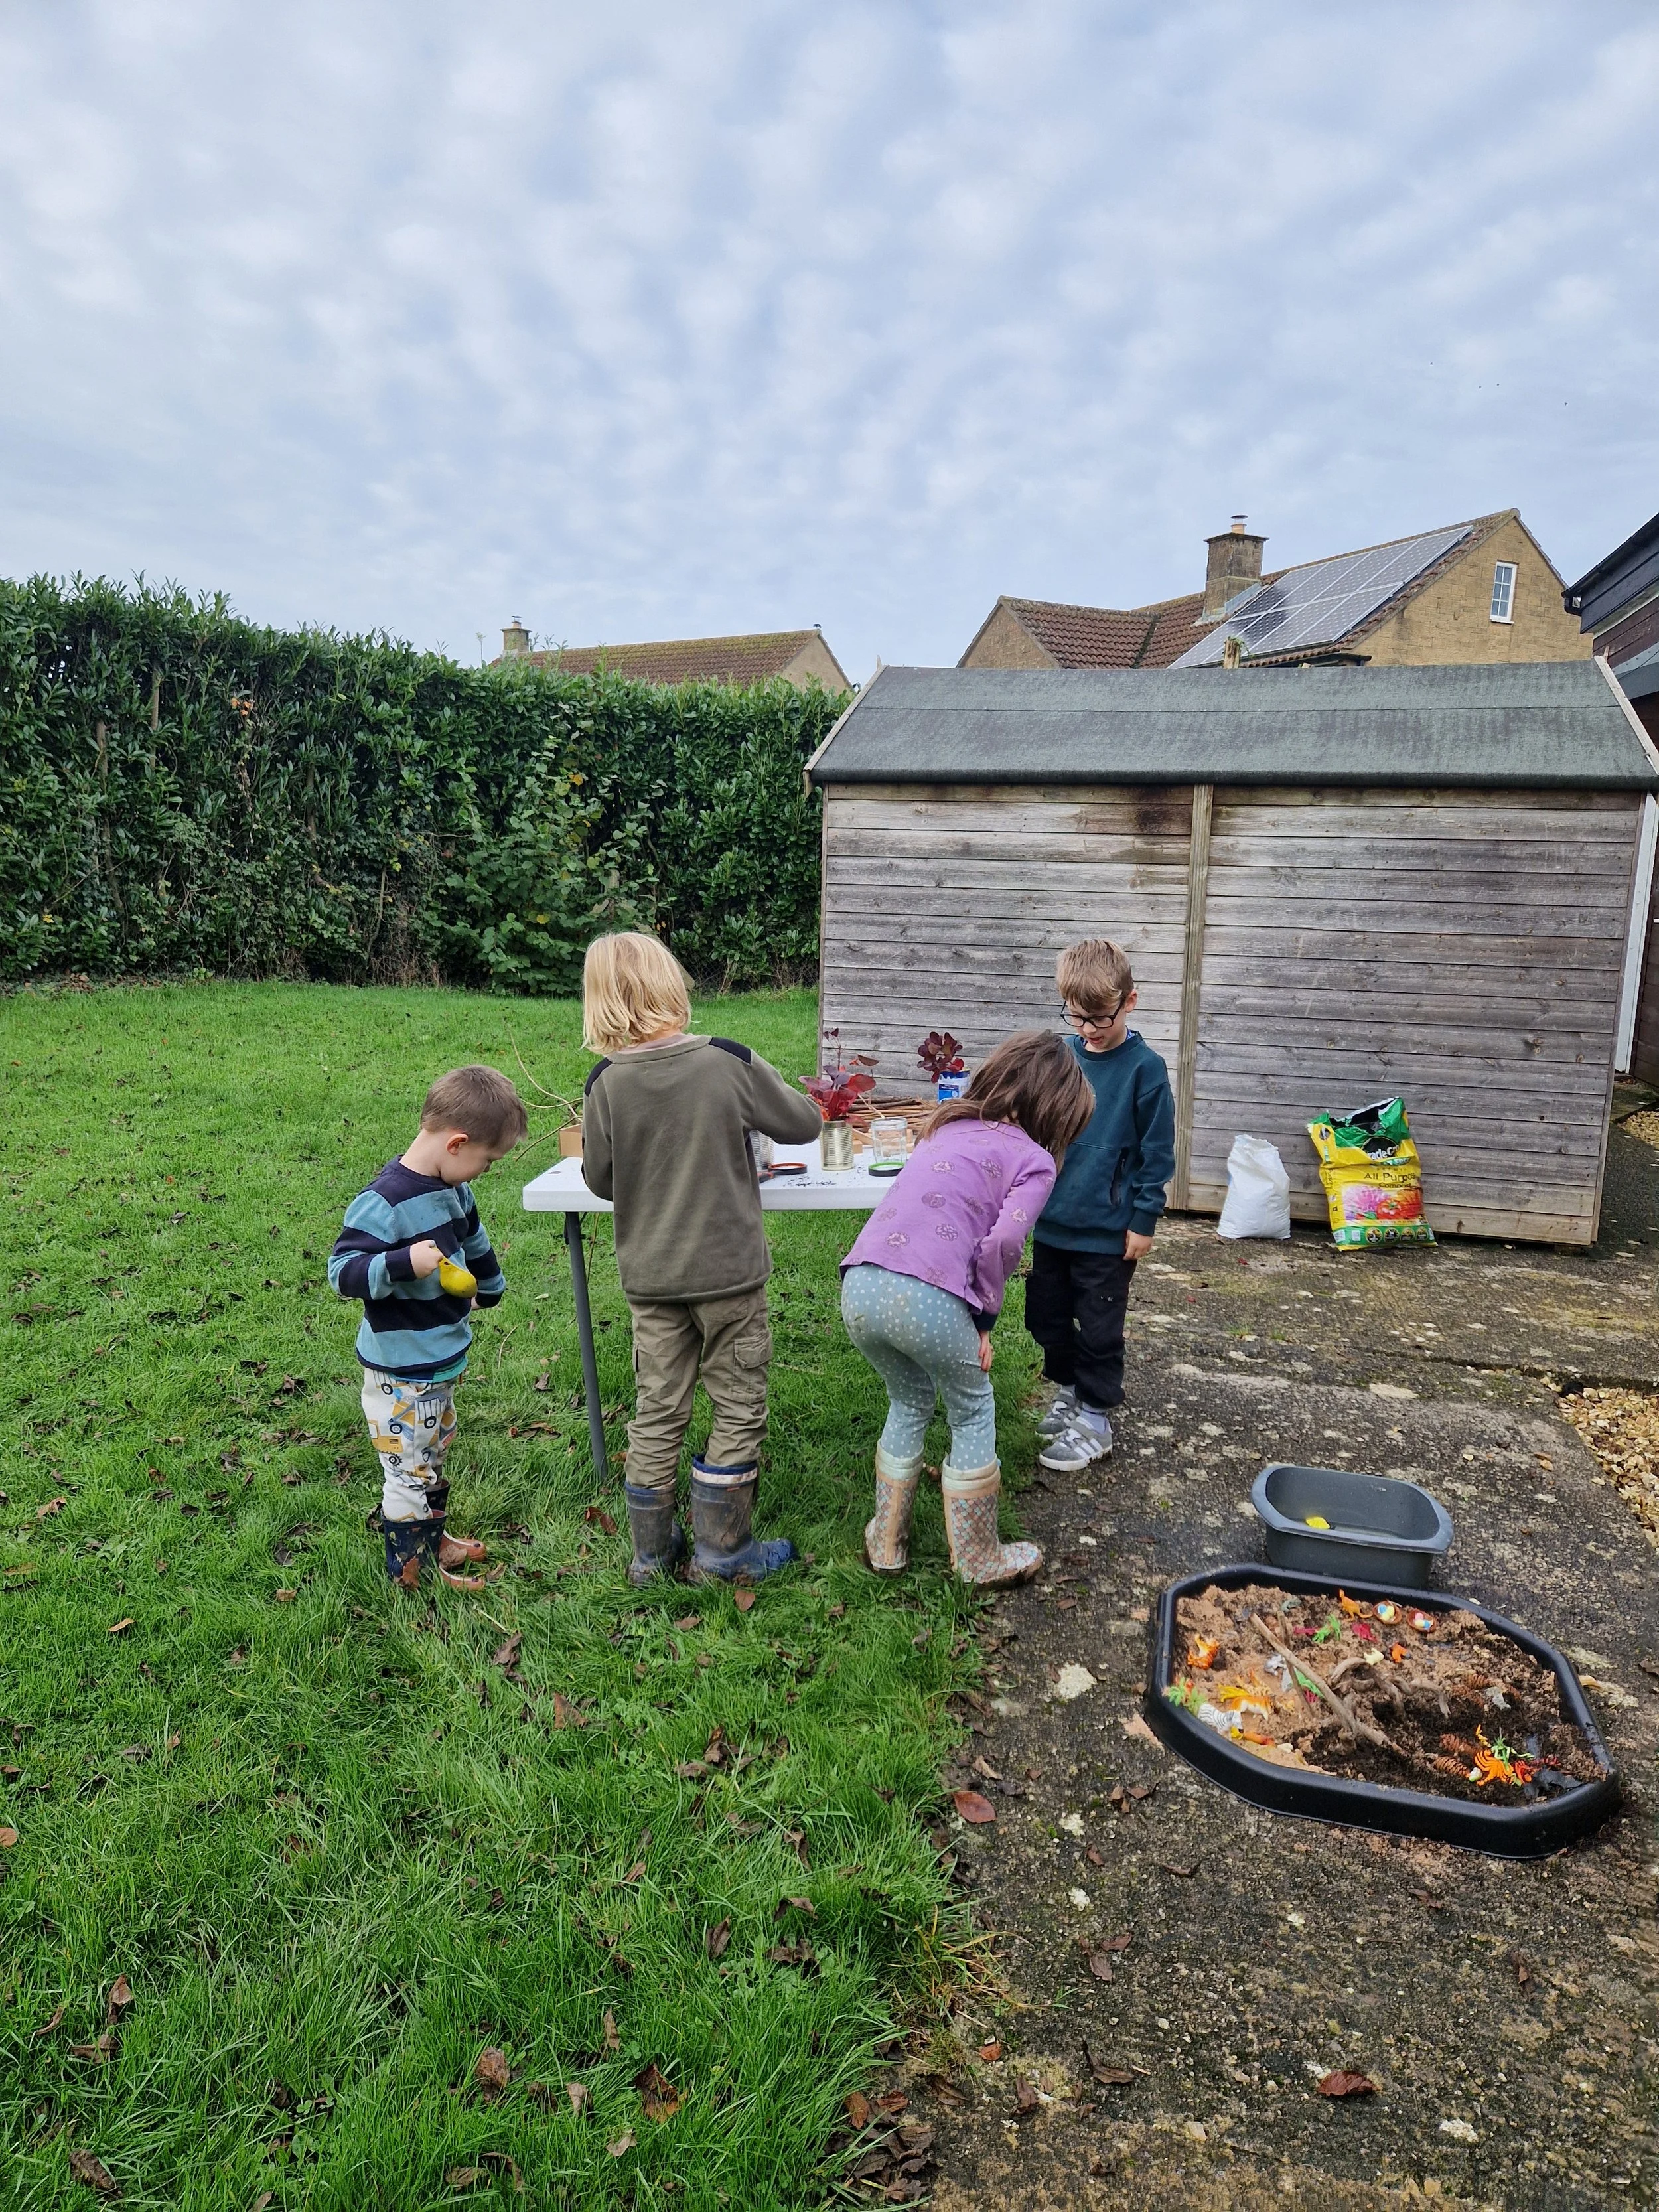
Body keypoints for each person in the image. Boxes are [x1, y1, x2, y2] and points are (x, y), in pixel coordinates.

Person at [579, 930, 824, 1586]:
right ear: (672, 986)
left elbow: (601, 1182)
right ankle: (723, 1555)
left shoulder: (604, 1083)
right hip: (728, 1275)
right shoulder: (727, 1061)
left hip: (652, 1278)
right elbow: (803, 1124)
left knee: (657, 1408)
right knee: (737, 1400)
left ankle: (650, 1558)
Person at [839, 1030, 1094, 1587]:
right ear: (1058, 1113)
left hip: (859, 1285)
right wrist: (983, 1318)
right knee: (973, 1408)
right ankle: (977, 1556)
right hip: (926, 1299)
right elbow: (1002, 1245)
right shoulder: (1035, 1161)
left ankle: (886, 1543)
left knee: (908, 1400)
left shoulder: (944, 1126)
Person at [328, 1064, 528, 1590]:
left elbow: (476, 1239)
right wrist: (401, 1264)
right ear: (458, 1143)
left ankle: (433, 1541)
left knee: (431, 1454)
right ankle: (409, 1571)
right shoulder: (385, 1202)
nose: (486, 1171)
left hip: (438, 1363)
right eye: (487, 1161)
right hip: (400, 1370)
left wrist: (492, 1284)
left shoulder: (454, 1191)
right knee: (407, 1470)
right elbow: (342, 1274)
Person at [1028, 938, 1176, 1473]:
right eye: (1077, 1017)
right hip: (1051, 1223)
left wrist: (1144, 1218)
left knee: (1098, 1327)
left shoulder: (1146, 1070)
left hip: (1109, 1232)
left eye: (1099, 1018)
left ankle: (1095, 1419)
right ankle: (1068, 1391)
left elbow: (1158, 1153)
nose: (1088, 1029)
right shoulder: (1062, 1058)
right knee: (1043, 1317)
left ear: (1130, 1001)